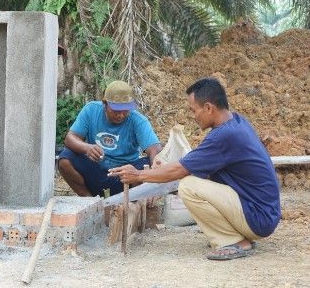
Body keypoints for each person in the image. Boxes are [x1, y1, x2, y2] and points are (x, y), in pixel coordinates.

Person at [108, 77, 281, 260]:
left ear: (208, 108)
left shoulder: (224, 136)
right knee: (195, 180)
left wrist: (138, 175)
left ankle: (233, 241)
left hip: (259, 218)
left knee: (188, 186)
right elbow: (192, 163)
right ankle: (234, 234)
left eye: (194, 110)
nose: (193, 116)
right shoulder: (236, 122)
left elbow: (180, 170)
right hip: (262, 211)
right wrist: (162, 167)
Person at [58, 80, 162, 197]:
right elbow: (70, 138)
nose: (121, 115)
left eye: (125, 111)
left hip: (124, 176)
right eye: (116, 111)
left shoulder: (138, 120)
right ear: (105, 103)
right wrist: (86, 148)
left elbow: (155, 149)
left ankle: (134, 200)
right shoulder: (91, 110)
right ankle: (88, 200)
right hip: (96, 171)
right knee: (65, 158)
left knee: (148, 164)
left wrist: (154, 175)